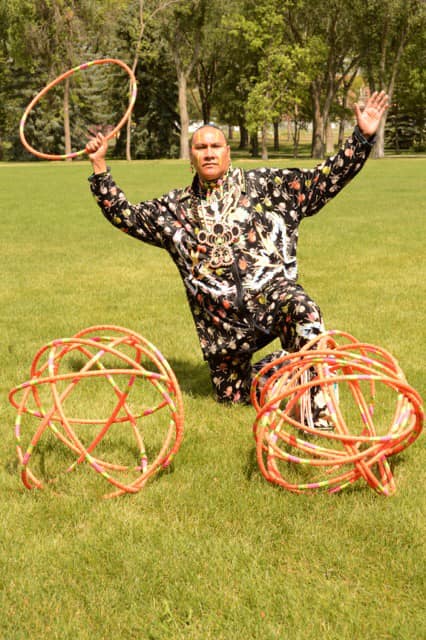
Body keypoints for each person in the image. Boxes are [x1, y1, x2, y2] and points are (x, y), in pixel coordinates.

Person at [86, 90, 389, 427]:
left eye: (216, 146)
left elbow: (323, 180)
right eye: (201, 148)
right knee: (234, 398)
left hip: (271, 298)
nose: (209, 153)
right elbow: (126, 216)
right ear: (191, 157)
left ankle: (320, 421)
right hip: (224, 332)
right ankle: (285, 369)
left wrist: (363, 137)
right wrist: (99, 167)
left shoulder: (266, 188)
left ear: (228, 153)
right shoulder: (174, 210)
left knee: (304, 311)